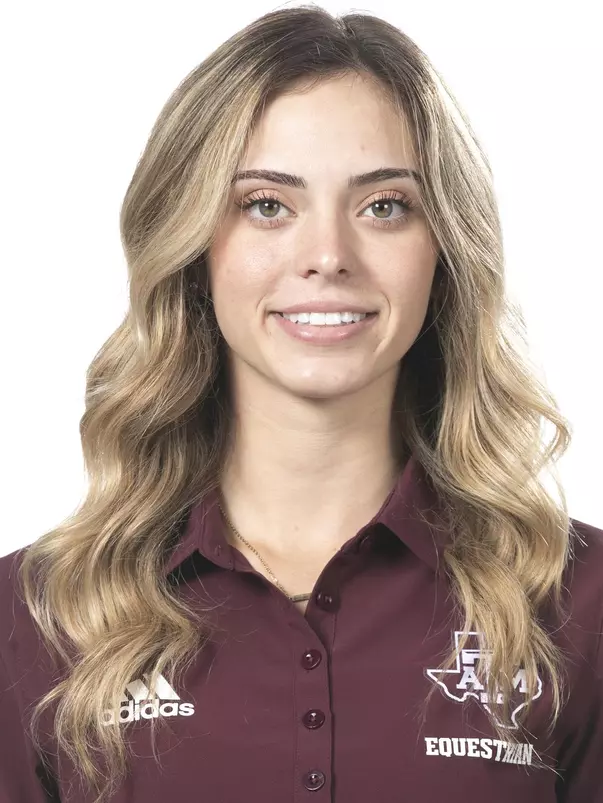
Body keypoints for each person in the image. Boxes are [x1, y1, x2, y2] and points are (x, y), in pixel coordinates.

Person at [1, 5, 601, 803]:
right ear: (192, 248)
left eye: (383, 205)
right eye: (266, 205)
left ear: (445, 248)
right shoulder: (34, 617)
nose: (327, 257)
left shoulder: (578, 603)